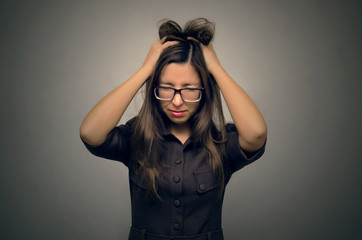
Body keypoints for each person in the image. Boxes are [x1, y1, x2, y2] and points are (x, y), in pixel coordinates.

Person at [79, 18, 267, 240]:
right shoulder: (137, 138)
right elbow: (90, 132)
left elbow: (256, 134)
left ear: (205, 91)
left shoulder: (220, 144)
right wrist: (146, 70)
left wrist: (216, 69)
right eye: (167, 88)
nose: (177, 101)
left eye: (189, 89)